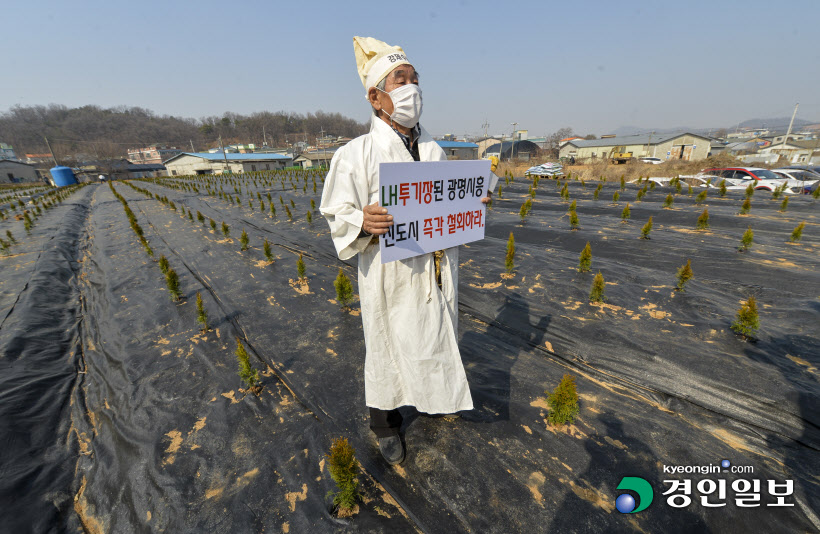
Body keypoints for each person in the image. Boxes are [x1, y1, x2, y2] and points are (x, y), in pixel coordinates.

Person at [320, 37, 494, 465]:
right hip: (389, 271)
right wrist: (363, 220)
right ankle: (385, 424)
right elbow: (334, 209)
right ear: (376, 97)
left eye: (415, 80)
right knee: (387, 343)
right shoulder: (354, 154)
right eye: (400, 80)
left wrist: (475, 199)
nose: (411, 89)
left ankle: (433, 396)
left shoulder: (435, 150)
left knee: (433, 330)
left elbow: (446, 199)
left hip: (433, 263)